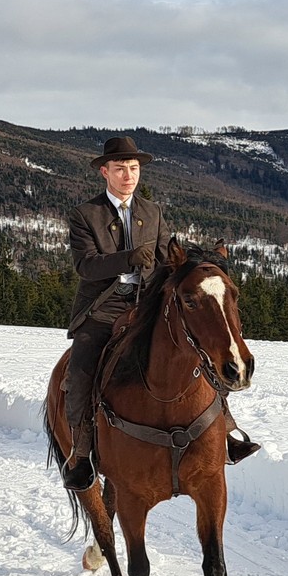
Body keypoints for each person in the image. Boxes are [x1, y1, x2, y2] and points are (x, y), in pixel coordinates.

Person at [60, 136, 174, 490]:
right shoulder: (85, 215)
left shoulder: (152, 213)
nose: (129, 176)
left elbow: (168, 255)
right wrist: (127, 259)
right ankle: (81, 452)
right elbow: (86, 266)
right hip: (105, 306)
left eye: (135, 168)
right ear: (105, 172)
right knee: (81, 368)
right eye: (121, 169)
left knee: (193, 348)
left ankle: (225, 430)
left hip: (146, 303)